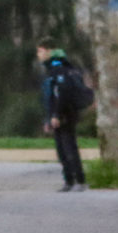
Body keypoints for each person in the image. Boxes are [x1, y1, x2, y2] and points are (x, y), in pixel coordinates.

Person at [38, 42, 92, 192]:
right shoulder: (66, 70)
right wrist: (48, 117)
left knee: (68, 148)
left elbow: (60, 95)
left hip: (64, 114)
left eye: (41, 52)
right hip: (63, 114)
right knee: (63, 148)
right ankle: (70, 180)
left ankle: (78, 180)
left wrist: (55, 115)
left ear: (50, 52)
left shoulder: (58, 71)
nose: (39, 55)